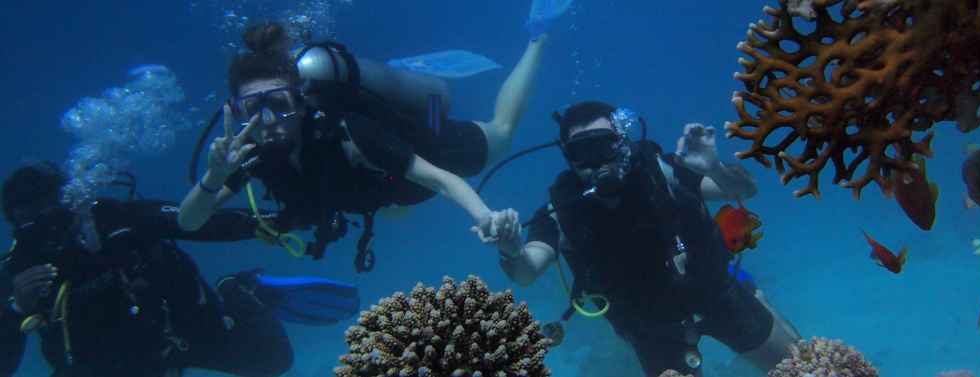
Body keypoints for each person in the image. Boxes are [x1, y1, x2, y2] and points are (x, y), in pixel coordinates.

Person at [178, 19, 549, 269]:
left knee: (501, 132)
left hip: (424, 149)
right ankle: (419, 85)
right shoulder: (245, 156)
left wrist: (486, 218)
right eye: (252, 109)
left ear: (301, 99)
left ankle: (537, 38)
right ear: (236, 112)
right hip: (386, 191)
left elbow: (441, 180)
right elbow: (189, 221)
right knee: (393, 206)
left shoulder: (349, 131)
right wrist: (214, 176)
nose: (269, 121)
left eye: (278, 104)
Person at [492, 101, 803, 376]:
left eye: (604, 146)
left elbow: (744, 190)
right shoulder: (560, 210)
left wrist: (715, 168)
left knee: (803, 367)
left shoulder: (662, 172)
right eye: (580, 152)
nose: (596, 161)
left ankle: (752, 291)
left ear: (623, 142)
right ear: (566, 156)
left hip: (716, 293)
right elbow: (526, 271)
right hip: (650, 328)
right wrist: (512, 251)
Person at [0, 162, 359, 377]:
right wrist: (15, 308)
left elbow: (193, 222)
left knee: (273, 360)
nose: (38, 221)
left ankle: (238, 290)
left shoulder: (113, 220)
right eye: (23, 214)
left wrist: (273, 222)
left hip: (176, 342)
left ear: (68, 199)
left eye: (46, 205)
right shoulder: (15, 269)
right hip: (90, 369)